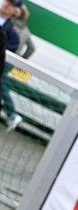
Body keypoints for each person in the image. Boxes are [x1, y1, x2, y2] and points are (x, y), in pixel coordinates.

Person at [0, 0, 22, 132]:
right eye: (6, 1)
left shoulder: (12, 33)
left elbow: (11, 50)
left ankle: (12, 114)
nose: (6, 4)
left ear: (15, 10)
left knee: (3, 85)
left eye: (11, 4)